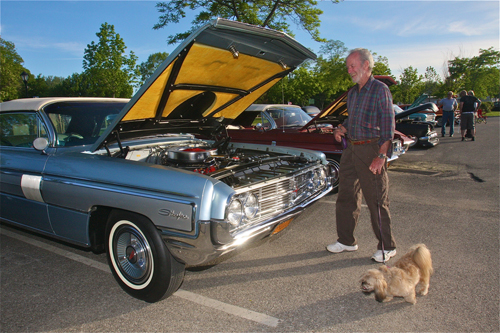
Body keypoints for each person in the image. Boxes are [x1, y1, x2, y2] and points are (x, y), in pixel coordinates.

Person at [326, 48, 397, 263]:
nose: (349, 70)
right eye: (348, 66)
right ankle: (346, 241)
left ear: (366, 65)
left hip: (371, 150)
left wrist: (381, 156)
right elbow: (353, 120)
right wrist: (342, 129)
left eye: (352, 65)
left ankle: (387, 246)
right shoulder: (353, 92)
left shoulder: (380, 90)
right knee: (346, 196)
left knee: (376, 199)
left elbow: (388, 126)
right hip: (351, 150)